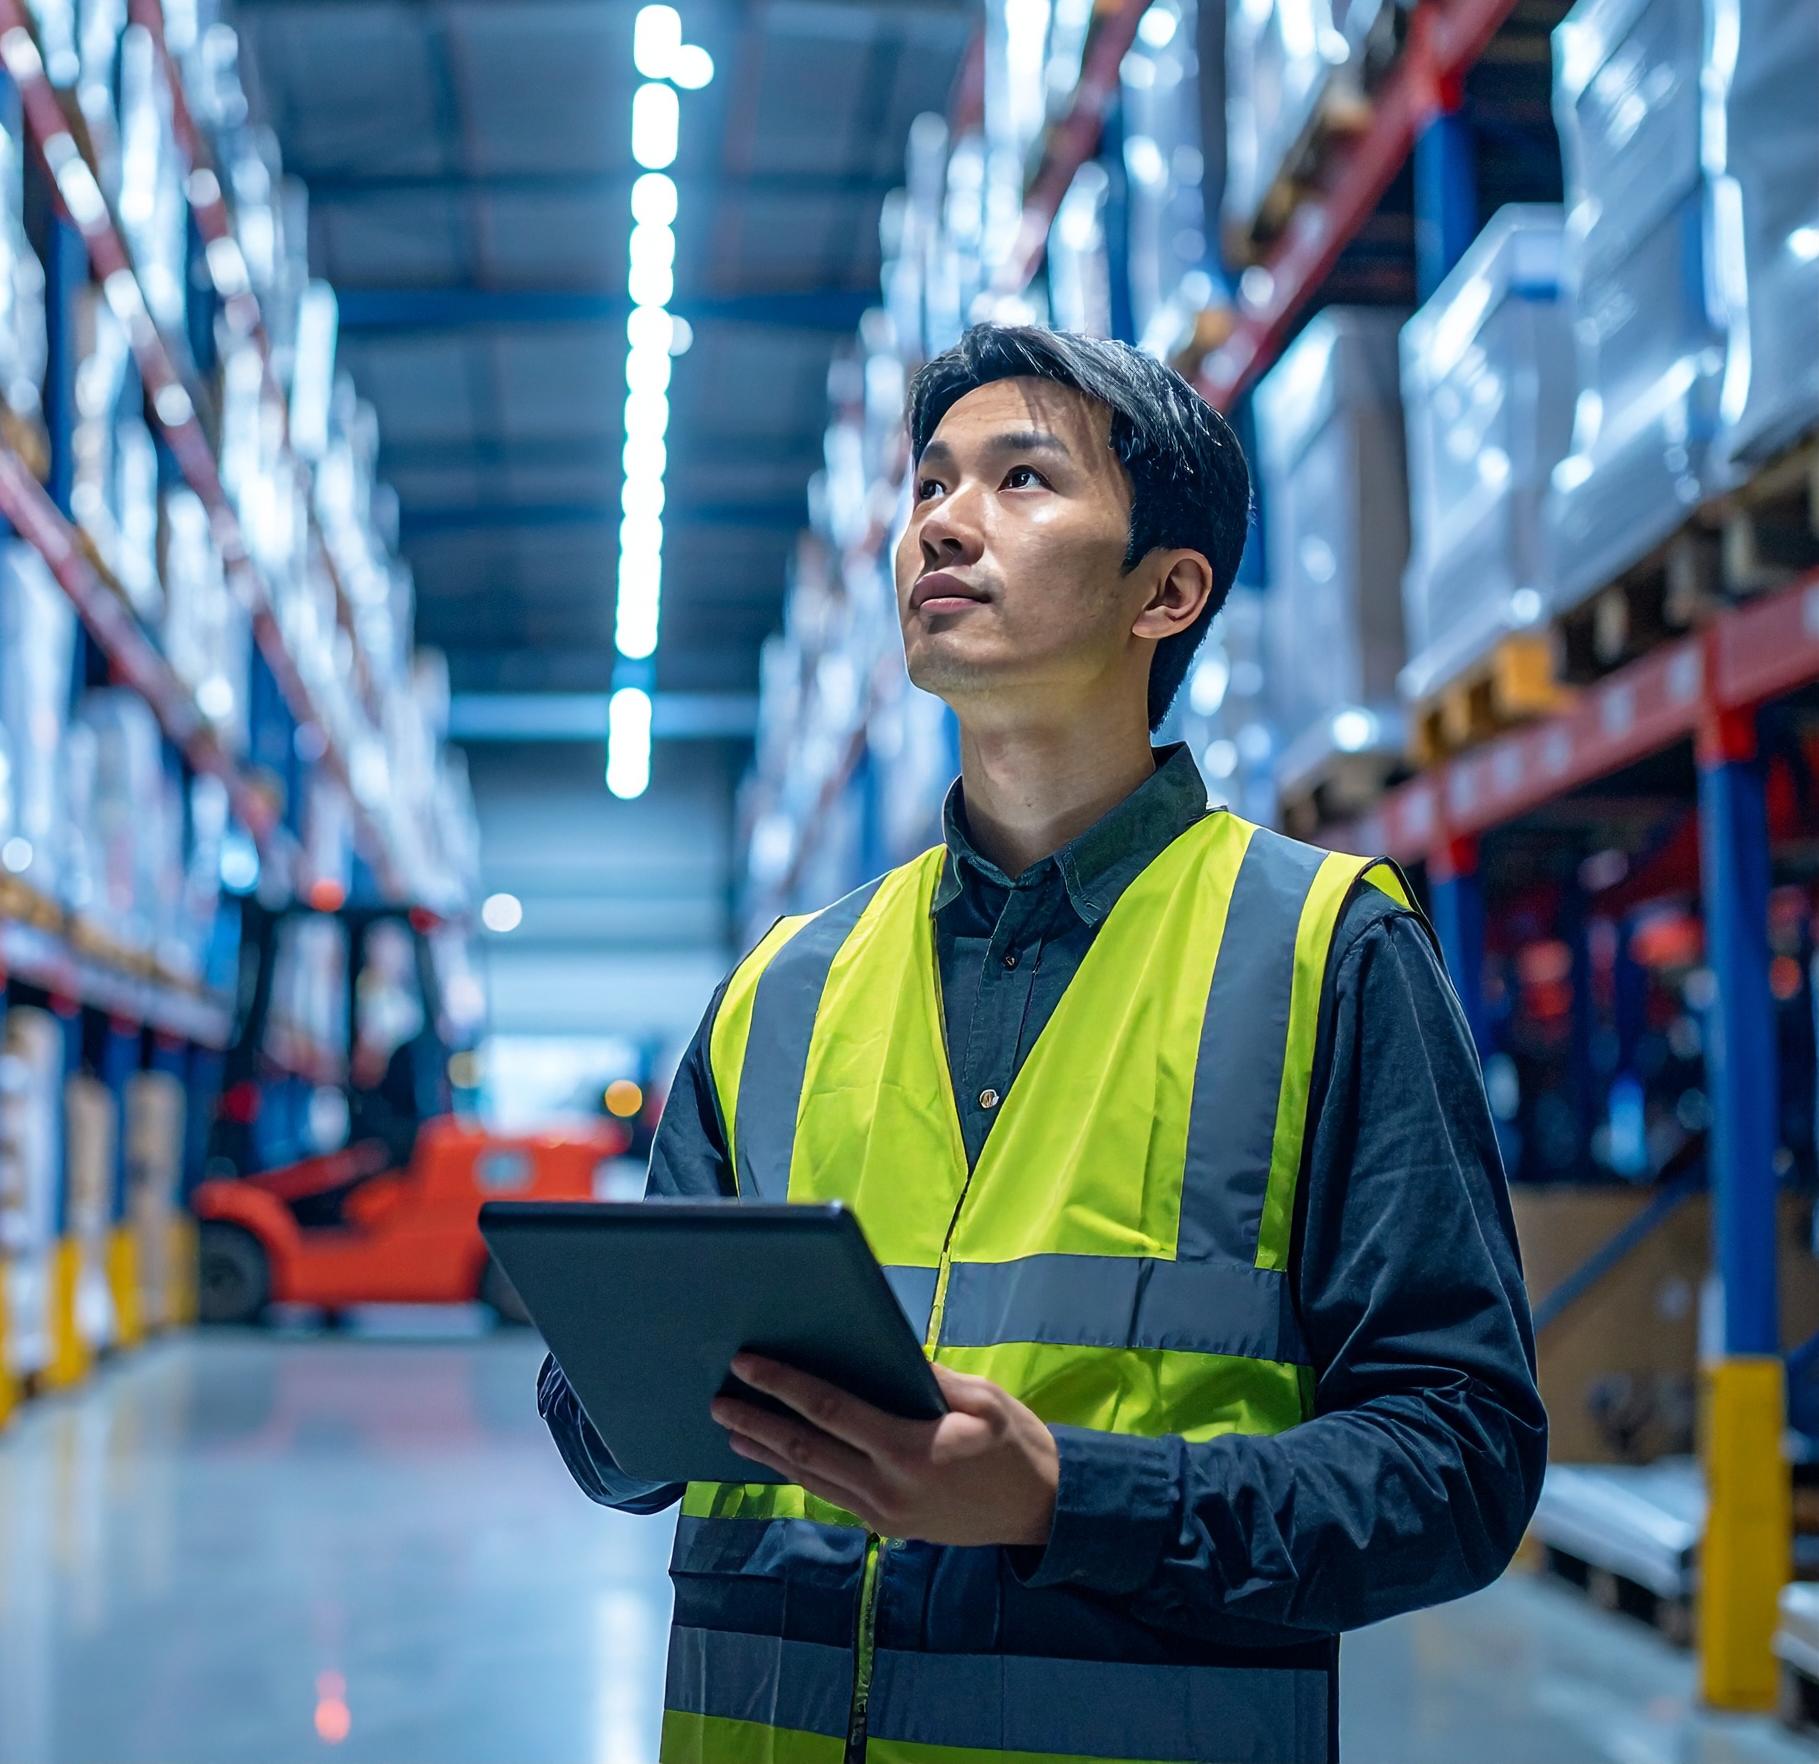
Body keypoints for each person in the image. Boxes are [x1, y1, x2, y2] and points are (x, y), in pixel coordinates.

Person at [538, 323, 1546, 1764]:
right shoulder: (782, 989)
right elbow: (618, 1440)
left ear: (1167, 591)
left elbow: (1460, 1461)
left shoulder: (1323, 952)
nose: (942, 523)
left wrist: (1064, 1499)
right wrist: (618, 1386)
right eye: (929, 484)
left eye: (1020, 479)